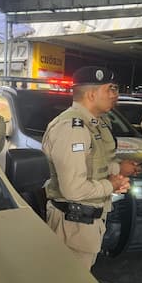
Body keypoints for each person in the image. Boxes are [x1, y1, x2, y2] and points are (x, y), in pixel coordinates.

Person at [42, 66, 131, 270]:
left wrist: (118, 171)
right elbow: (73, 189)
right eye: (111, 89)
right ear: (92, 94)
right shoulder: (73, 128)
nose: (115, 95)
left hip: (85, 224)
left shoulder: (93, 123)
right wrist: (110, 185)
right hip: (73, 225)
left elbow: (95, 164)